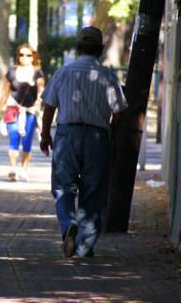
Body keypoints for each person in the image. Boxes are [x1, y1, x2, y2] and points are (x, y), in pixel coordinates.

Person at [40, 26, 127, 258]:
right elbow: (119, 113)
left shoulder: (63, 72)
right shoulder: (108, 76)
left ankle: (68, 223)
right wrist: (111, 132)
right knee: (94, 191)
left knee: (62, 187)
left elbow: (49, 106)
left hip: (67, 134)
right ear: (100, 49)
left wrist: (44, 134)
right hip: (98, 136)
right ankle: (85, 246)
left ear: (78, 47)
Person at [0, 44, 45, 182]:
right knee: (14, 138)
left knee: (27, 141)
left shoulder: (38, 73)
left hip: (30, 111)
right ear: (18, 56)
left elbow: (41, 91)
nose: (25, 57)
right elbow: (5, 92)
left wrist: (40, 103)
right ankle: (13, 169)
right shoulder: (11, 72)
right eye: (21, 54)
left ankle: (23, 168)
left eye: (28, 55)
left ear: (33, 56)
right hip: (13, 109)